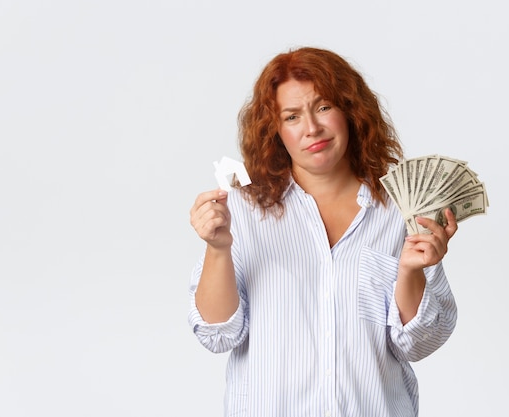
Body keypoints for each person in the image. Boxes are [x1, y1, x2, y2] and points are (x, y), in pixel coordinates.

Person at [188, 46, 458, 417]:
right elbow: (218, 334)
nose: (312, 128)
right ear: (276, 130)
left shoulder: (401, 210)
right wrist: (217, 249)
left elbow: (420, 343)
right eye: (292, 116)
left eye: (324, 107)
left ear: (350, 111)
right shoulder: (241, 212)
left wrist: (410, 271)